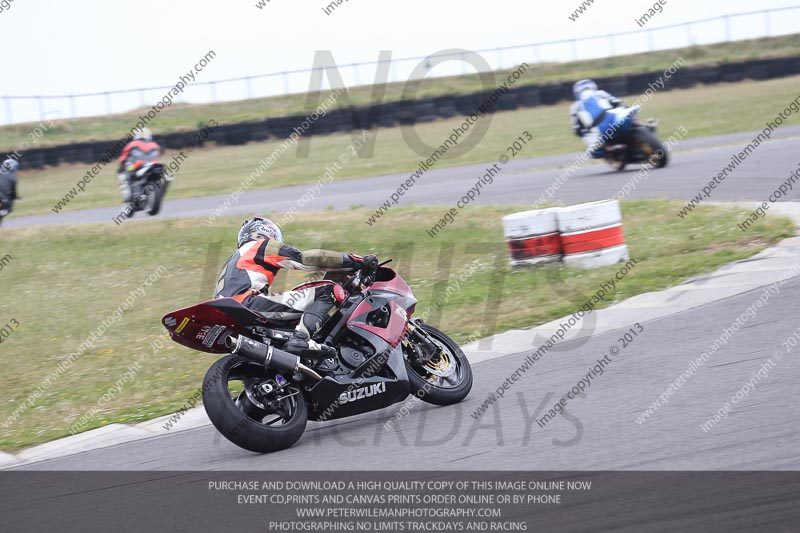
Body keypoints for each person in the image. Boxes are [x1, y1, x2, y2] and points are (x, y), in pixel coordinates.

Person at [215, 217, 378, 356]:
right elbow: (307, 259)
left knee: (295, 306)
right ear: (267, 232)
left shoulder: (234, 259)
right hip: (246, 305)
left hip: (226, 312)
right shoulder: (261, 245)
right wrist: (356, 262)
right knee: (329, 290)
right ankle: (301, 339)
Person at [569, 79, 625, 158]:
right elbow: (617, 101)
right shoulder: (601, 93)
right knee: (627, 115)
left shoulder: (575, 106)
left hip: (599, 130)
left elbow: (576, 128)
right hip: (615, 118)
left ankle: (609, 149)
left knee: (593, 151)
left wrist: (583, 133)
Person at [116, 128, 162, 202]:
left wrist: (123, 165)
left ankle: (126, 193)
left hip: (138, 165)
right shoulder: (155, 144)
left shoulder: (132, 144)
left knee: (122, 171)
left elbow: (123, 158)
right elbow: (158, 154)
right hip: (155, 164)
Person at [0, 158, 20, 225]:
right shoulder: (13, 178)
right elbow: (13, 192)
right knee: (9, 208)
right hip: (3, 198)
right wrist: (15, 197)